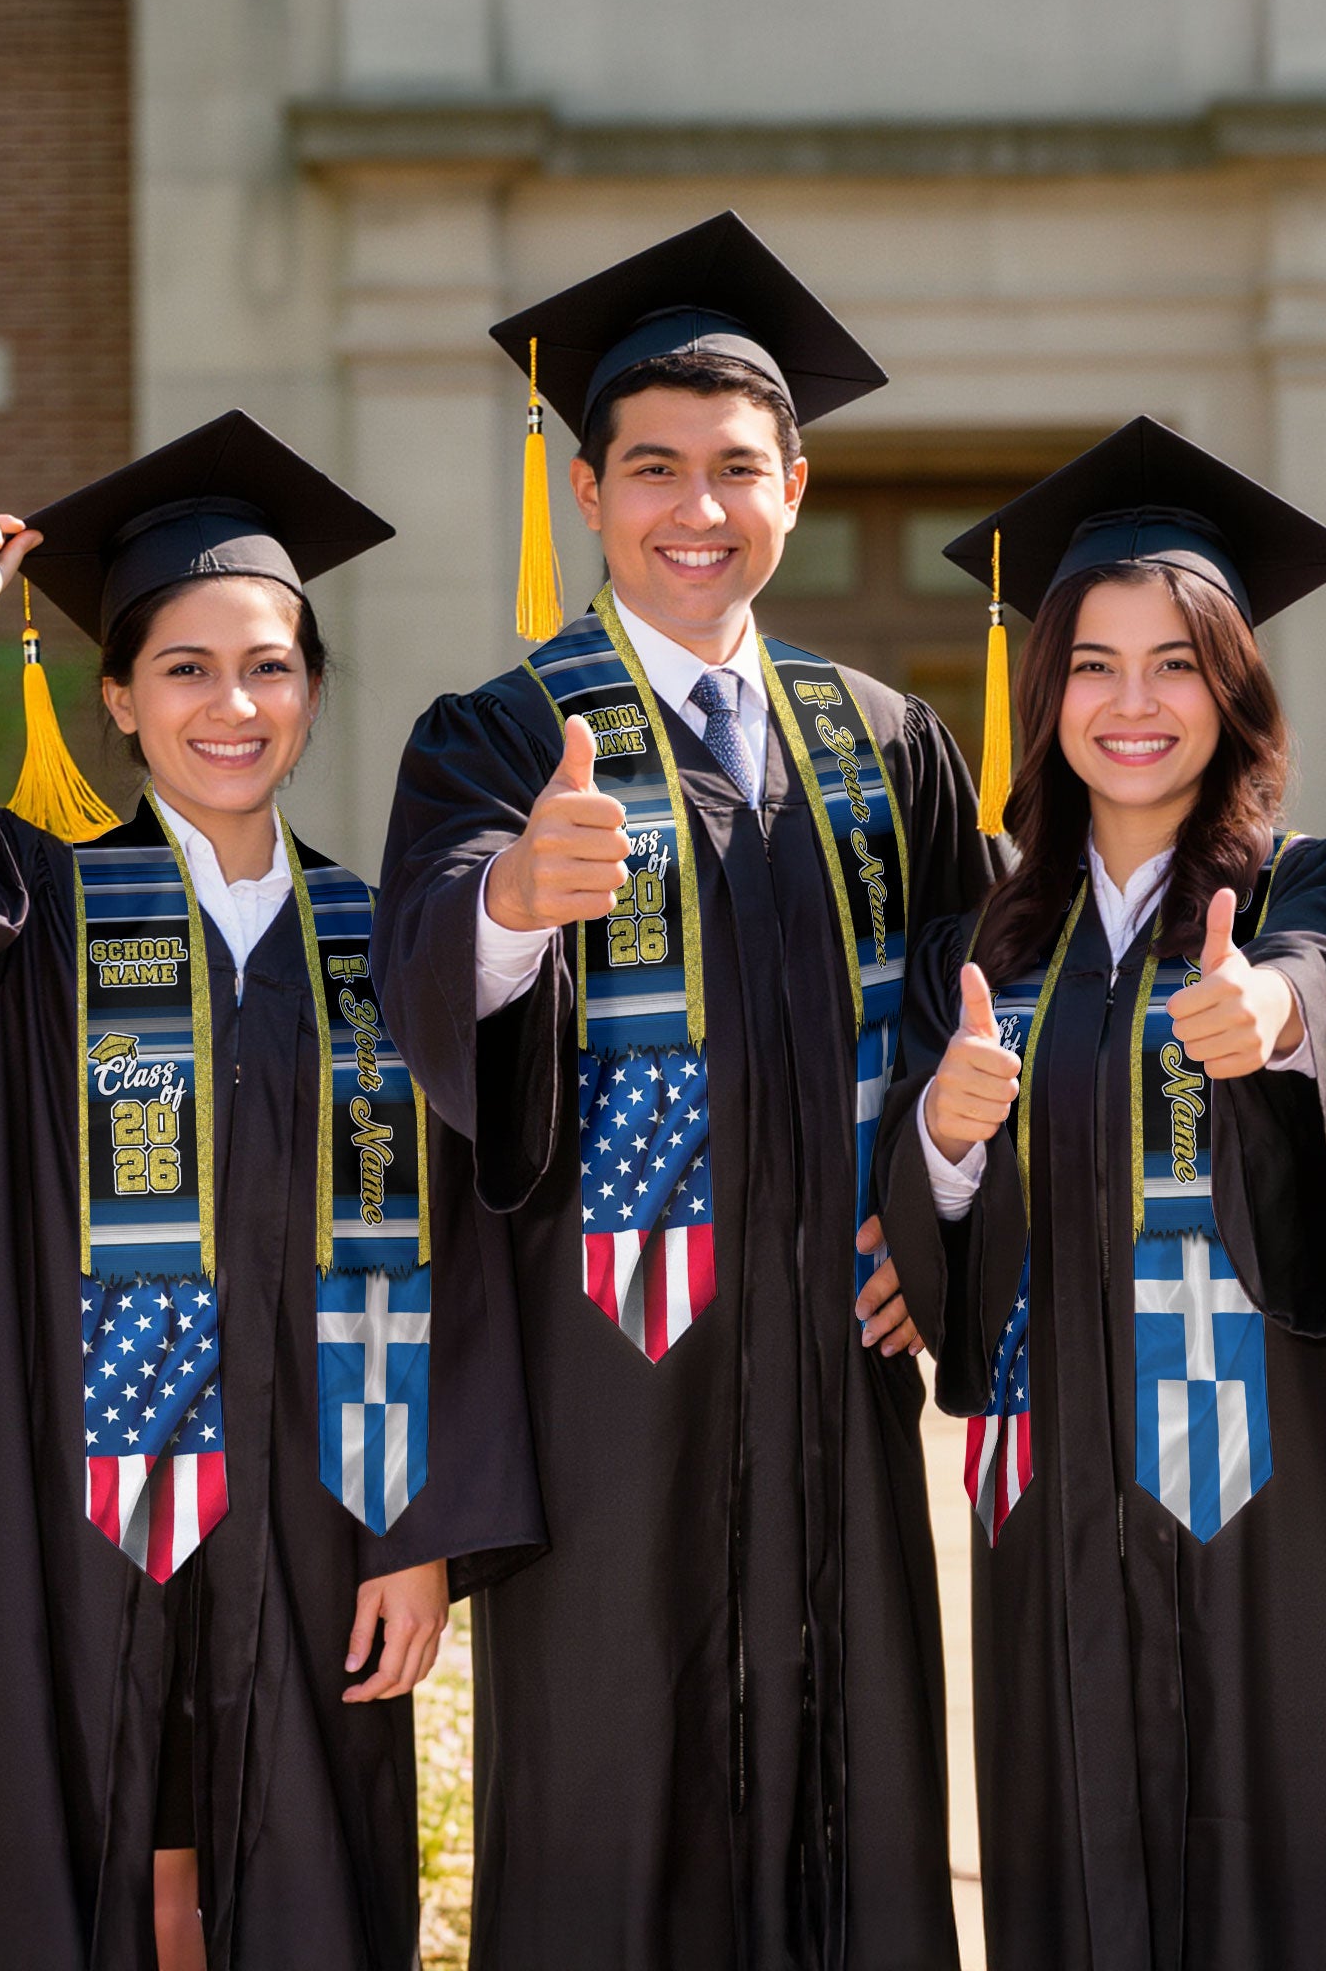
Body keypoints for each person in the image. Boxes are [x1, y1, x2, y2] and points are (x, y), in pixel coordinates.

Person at [373, 212, 998, 1970]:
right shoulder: (501, 735)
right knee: (614, 1806)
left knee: (853, 1794)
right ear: (587, 493)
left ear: (795, 486)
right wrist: (511, 902)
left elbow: (983, 1007)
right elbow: (422, 973)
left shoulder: (884, 741)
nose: (696, 508)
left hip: (836, 1379)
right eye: (653, 469)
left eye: (736, 468)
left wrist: (935, 1217)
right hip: (608, 1387)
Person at [0, 411, 542, 1971]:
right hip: (67, 1506)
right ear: (117, 697)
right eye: (184, 668)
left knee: (298, 1867)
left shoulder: (388, 945)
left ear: (311, 689)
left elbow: (465, 1256)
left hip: (320, 1511)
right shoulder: (31, 922)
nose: (231, 705)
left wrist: (423, 1532)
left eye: (269, 667)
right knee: (77, 1839)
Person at [875, 417, 1326, 1969]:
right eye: (1094, 665)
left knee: (1301, 1858)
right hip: (1055, 1491)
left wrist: (1276, 1018)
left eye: (1177, 664)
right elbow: (929, 1225)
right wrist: (943, 1135)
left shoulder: (1315, 885)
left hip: (1277, 1490)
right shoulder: (981, 948)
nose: (1133, 704)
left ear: (1235, 688)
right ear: (1044, 693)